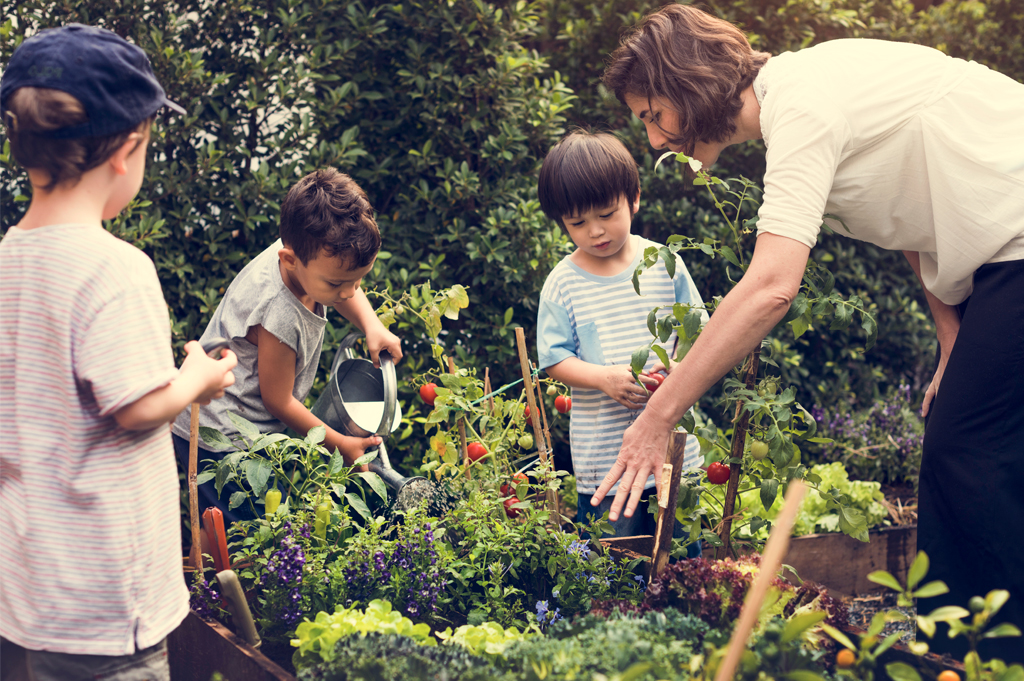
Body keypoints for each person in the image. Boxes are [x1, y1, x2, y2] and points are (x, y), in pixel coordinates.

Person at [593, 4, 1024, 663]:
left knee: (966, 456)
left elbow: (771, 286)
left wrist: (660, 412)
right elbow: (912, 224)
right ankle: (954, 654)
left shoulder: (802, 102)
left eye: (653, 115)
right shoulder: (804, 96)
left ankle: (978, 657)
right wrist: (950, 342)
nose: (654, 140)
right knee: (964, 451)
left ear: (687, 83)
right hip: (1004, 256)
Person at [0, 24, 238, 681]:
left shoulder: (7, 262)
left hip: (26, 589)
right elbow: (135, 406)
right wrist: (198, 377)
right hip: (106, 602)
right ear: (127, 148)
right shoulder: (114, 268)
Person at [170, 167, 402, 524]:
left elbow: (340, 283)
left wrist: (372, 324)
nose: (349, 292)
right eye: (338, 283)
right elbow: (277, 400)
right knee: (242, 536)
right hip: (221, 438)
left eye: (358, 281)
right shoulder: (279, 311)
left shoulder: (307, 252)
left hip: (248, 428)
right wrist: (341, 445)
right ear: (289, 260)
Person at [536, 130, 707, 548]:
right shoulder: (563, 284)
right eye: (578, 223)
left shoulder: (665, 265)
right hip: (605, 463)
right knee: (615, 569)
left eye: (607, 214)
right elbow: (554, 360)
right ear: (562, 222)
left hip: (673, 451)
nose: (596, 231)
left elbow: (700, 335)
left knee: (684, 558)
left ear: (634, 198)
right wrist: (603, 378)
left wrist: (679, 370)